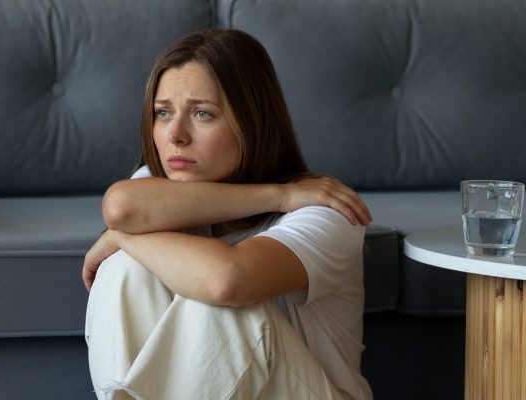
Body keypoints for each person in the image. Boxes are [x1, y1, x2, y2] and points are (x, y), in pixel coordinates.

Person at [83, 28, 373, 400]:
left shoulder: (327, 209)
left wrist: (121, 235)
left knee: (218, 301)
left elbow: (226, 281)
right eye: (163, 113)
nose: (175, 136)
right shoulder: (160, 188)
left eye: (202, 113)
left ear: (252, 121)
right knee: (125, 267)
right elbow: (121, 207)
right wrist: (277, 195)